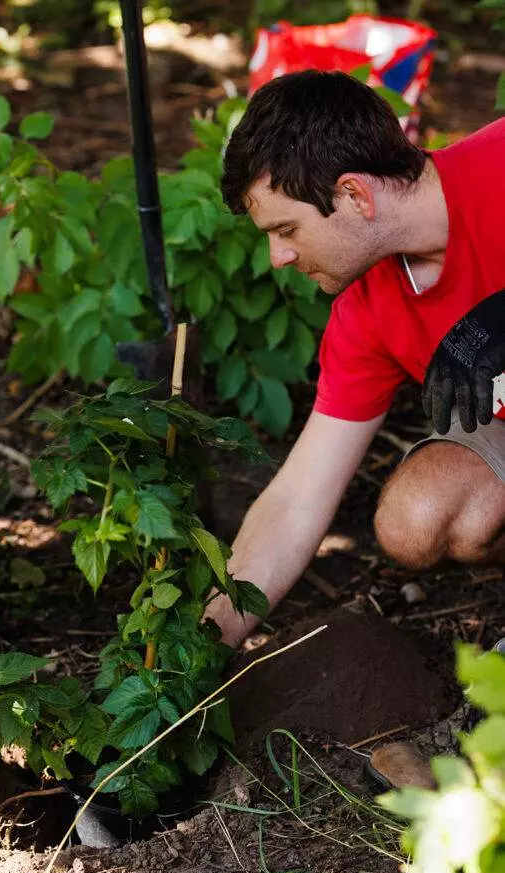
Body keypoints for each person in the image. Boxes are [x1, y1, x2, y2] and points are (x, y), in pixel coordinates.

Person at [208, 71, 505, 785]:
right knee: (416, 517)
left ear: (353, 195)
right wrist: (203, 640)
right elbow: (298, 495)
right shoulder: (367, 310)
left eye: (285, 230)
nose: (278, 256)